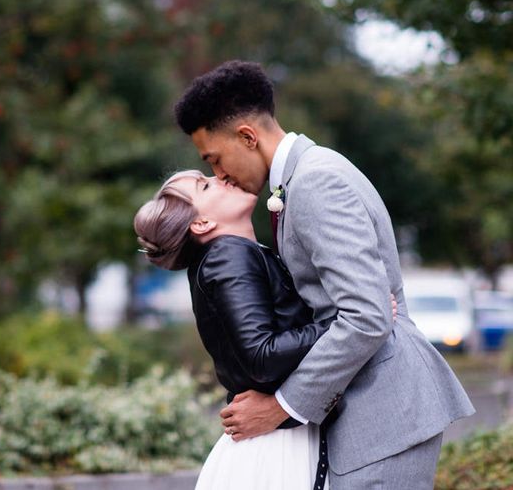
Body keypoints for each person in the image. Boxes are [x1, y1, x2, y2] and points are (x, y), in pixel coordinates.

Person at [173, 60, 475, 490]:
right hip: (367, 414)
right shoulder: (302, 179)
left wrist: (283, 406)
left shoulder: (316, 183)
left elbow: (367, 317)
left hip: (383, 415)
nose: (218, 174)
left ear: (247, 136)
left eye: (215, 159)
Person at [134, 170, 340, 488]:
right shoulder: (228, 256)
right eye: (205, 186)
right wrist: (343, 323)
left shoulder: (228, 255)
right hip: (276, 453)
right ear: (201, 224)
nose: (220, 178)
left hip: (273, 443)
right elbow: (262, 355)